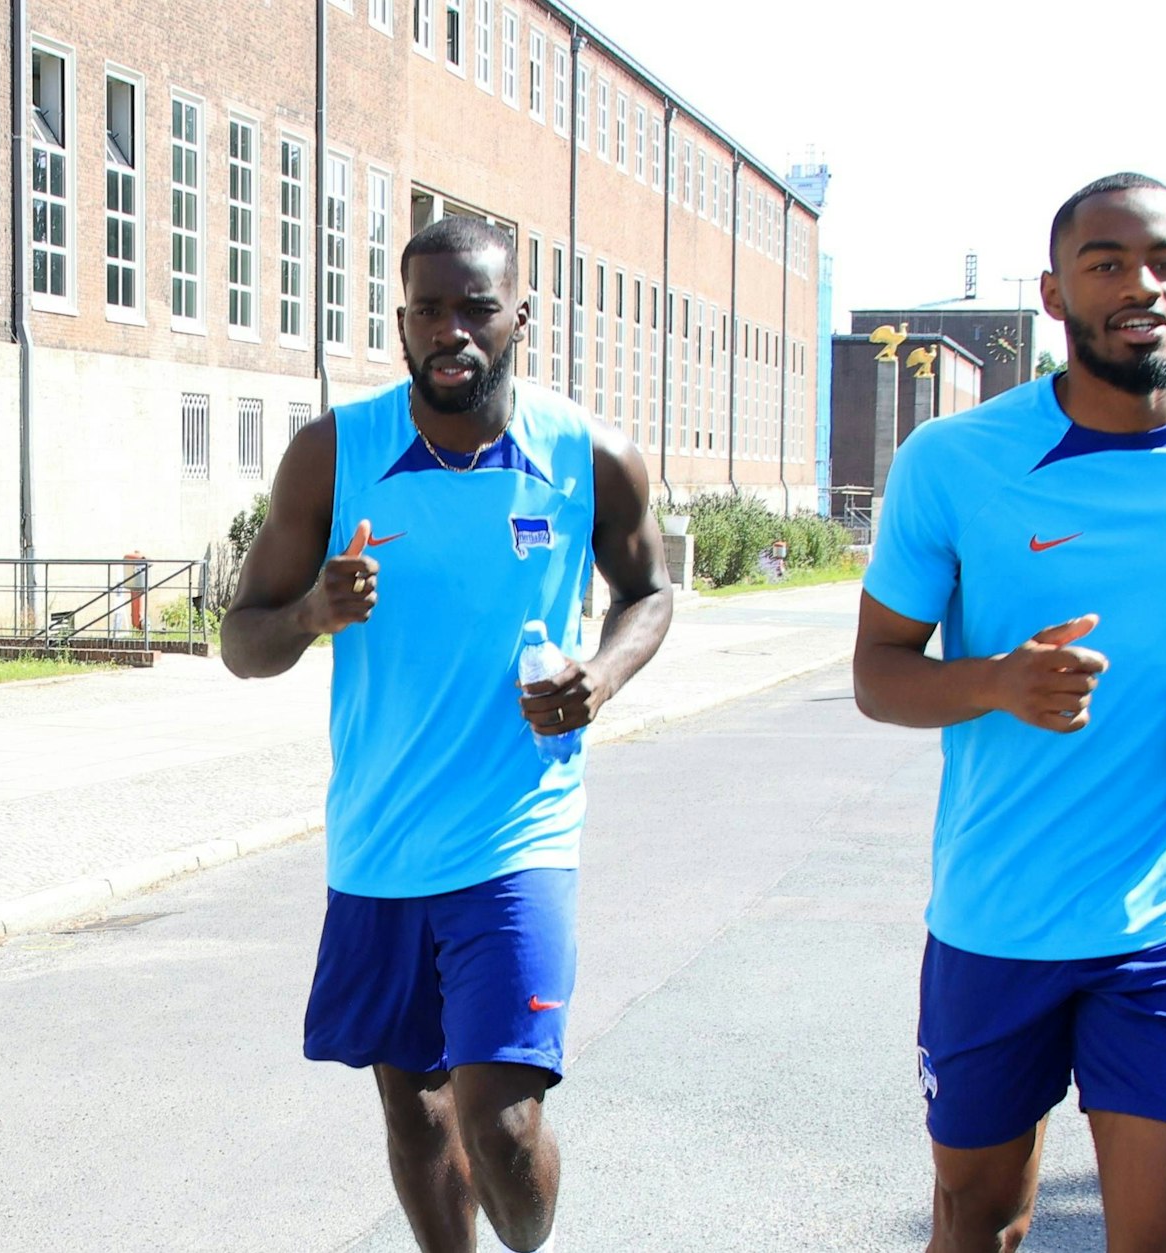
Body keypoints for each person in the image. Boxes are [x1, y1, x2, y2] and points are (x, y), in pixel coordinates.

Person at [852, 173, 1166, 1253]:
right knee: (980, 1217)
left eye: (1162, 260)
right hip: (995, 919)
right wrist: (992, 681)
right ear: (1054, 295)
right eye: (1105, 263)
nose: (1139, 284)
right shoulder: (956, 460)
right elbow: (878, 671)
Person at [222, 215, 673, 1253]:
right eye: (428, 309)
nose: (451, 330)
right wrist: (309, 615)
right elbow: (241, 641)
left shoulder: (588, 455)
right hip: (380, 843)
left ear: (519, 314)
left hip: (521, 834)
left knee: (501, 1125)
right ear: (400, 323)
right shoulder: (333, 454)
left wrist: (596, 675)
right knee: (415, 1113)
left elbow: (648, 592)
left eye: (475, 307)